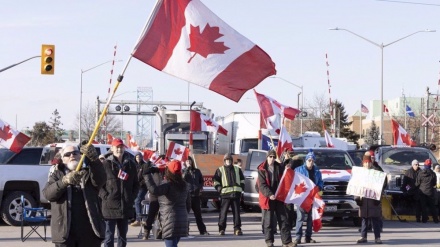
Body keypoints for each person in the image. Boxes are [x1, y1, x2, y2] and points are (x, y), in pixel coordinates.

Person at [43, 144, 106, 247]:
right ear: (63, 159)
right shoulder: (57, 174)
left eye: (75, 153)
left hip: (90, 232)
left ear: (80, 156)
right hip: (65, 233)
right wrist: (64, 182)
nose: (72, 155)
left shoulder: (89, 172)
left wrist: (94, 160)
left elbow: (101, 180)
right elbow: (48, 194)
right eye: (67, 154)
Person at [100, 138, 139, 247]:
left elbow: (136, 183)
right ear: (112, 148)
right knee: (109, 236)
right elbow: (99, 185)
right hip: (110, 207)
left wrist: (131, 196)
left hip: (125, 206)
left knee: (122, 237)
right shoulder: (105, 164)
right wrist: (106, 197)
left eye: (121, 147)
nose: (119, 149)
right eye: (117, 147)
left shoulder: (131, 164)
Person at [145, 160, 190, 247]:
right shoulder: (185, 185)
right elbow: (188, 204)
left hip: (169, 220)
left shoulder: (168, 185)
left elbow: (154, 190)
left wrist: (146, 175)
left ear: (168, 171)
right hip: (182, 220)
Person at [258, 149, 296, 247]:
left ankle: (287, 241)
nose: (272, 159)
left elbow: (286, 170)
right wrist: (270, 194)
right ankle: (269, 241)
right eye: (270, 157)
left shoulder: (278, 167)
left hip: (278, 197)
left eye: (274, 157)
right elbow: (262, 185)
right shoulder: (261, 169)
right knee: (268, 222)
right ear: (267, 157)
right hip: (268, 198)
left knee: (283, 220)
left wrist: (288, 162)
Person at [294, 150, 323, 244]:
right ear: (306, 160)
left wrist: (318, 188)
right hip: (302, 198)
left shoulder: (317, 171)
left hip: (312, 198)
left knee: (310, 218)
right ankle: (298, 237)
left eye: (312, 160)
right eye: (309, 160)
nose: (310, 162)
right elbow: (294, 181)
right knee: (300, 218)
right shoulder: (298, 170)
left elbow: (320, 183)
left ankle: (308, 237)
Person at [355, 152, 384, 244]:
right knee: (364, 219)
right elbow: (356, 186)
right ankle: (363, 236)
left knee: (375, 219)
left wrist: (377, 199)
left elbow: (380, 186)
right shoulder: (359, 173)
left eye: (369, 162)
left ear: (371, 163)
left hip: (373, 200)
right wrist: (357, 198)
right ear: (363, 163)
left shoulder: (375, 173)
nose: (367, 164)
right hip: (363, 200)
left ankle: (377, 237)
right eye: (365, 162)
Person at [213, 153, 245, 236]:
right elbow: (215, 181)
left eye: (229, 160)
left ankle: (237, 229)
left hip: (236, 194)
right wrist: (219, 188)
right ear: (224, 161)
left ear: (231, 160)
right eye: (227, 160)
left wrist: (241, 188)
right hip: (225, 195)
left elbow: (242, 180)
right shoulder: (220, 170)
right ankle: (222, 229)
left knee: (237, 213)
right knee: (223, 213)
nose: (228, 161)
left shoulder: (237, 169)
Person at [183, 156, 209, 235]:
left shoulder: (197, 171)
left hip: (196, 195)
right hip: (187, 196)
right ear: (185, 163)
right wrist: (186, 170)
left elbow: (201, 181)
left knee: (198, 215)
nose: (189, 162)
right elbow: (182, 179)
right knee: (185, 214)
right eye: (187, 161)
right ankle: (185, 230)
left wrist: (199, 187)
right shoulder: (183, 171)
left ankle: (203, 230)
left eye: (190, 161)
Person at [142, 154, 166, 240]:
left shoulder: (167, 169)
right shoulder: (154, 169)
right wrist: (150, 162)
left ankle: (162, 232)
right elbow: (145, 169)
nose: (162, 162)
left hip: (164, 195)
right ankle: (146, 233)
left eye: (163, 160)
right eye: (161, 160)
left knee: (163, 215)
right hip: (154, 194)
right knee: (151, 214)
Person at [415, 158, 439, 223]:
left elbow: (417, 183)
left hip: (422, 192)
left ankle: (424, 219)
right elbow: (434, 183)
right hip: (430, 192)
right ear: (430, 165)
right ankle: (435, 219)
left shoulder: (420, 173)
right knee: (432, 206)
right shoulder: (433, 174)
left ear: (424, 165)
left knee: (423, 206)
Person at [131, 152, 150, 227]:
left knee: (137, 201)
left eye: (139, 157)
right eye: (137, 157)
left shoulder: (144, 165)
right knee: (135, 201)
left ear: (142, 157)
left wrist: (140, 183)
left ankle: (139, 219)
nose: (138, 158)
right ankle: (137, 218)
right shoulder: (134, 166)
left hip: (142, 187)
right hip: (135, 187)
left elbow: (145, 177)